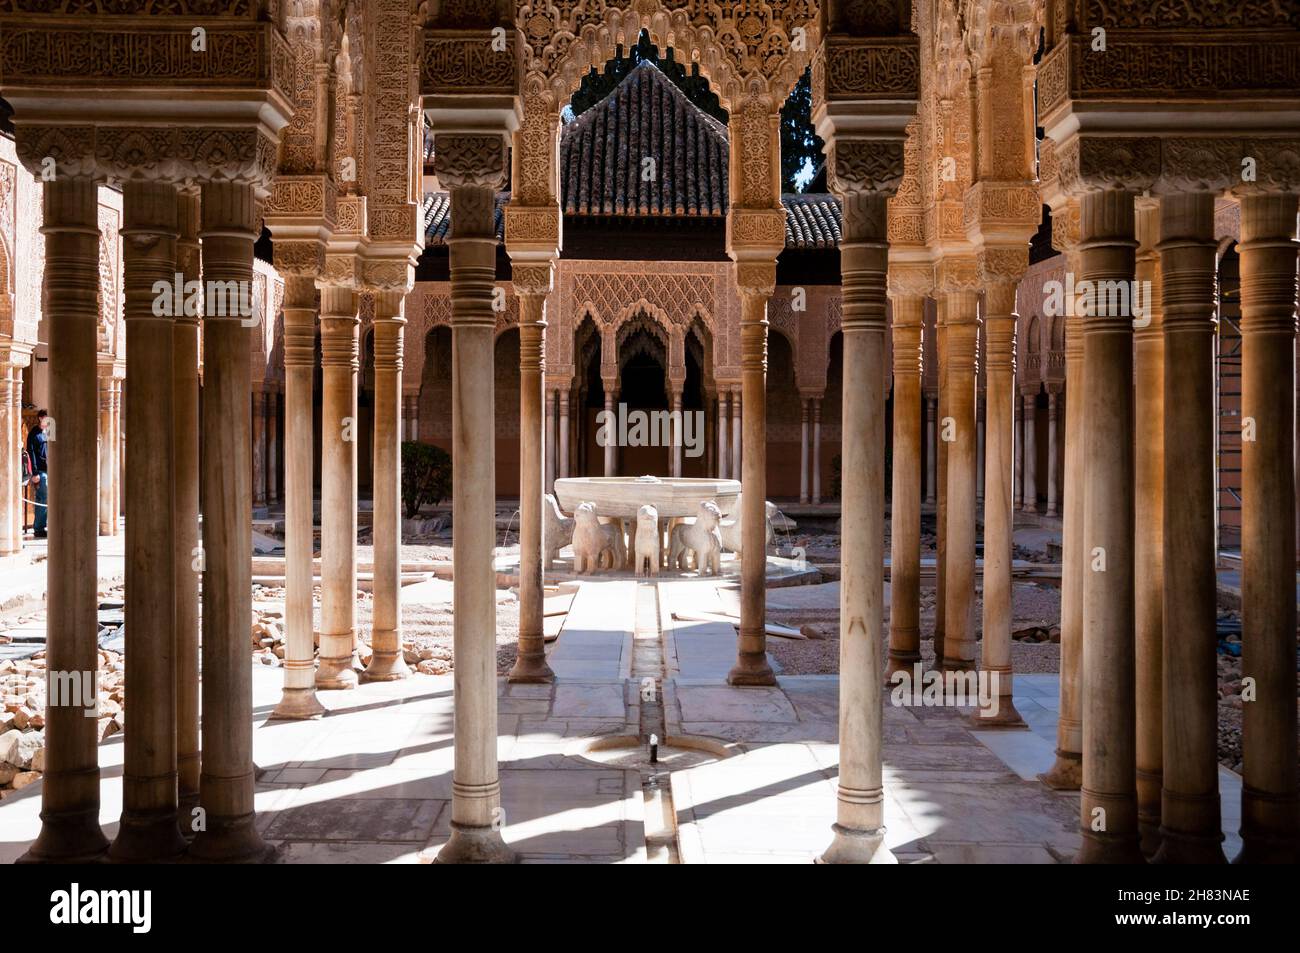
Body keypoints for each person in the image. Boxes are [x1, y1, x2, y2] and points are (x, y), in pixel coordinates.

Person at [26, 409, 48, 538]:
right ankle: (39, 528)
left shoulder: (49, 432)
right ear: (40, 418)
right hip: (40, 471)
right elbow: (31, 453)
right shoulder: (34, 434)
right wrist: (34, 473)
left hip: (50, 470)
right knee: (42, 499)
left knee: (50, 500)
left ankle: (45, 525)